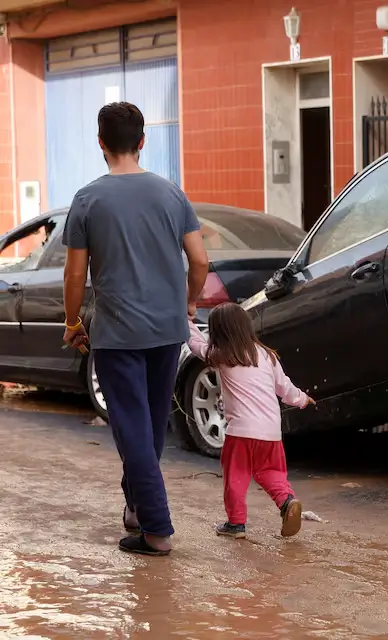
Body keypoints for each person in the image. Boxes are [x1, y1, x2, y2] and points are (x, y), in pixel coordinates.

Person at [62, 102, 210, 557]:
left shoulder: (88, 199)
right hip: (168, 330)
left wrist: (72, 322)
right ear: (142, 141)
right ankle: (135, 506)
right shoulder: (171, 194)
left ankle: (157, 531)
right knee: (146, 426)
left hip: (118, 334)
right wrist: (187, 304)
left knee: (132, 429)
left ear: (101, 144)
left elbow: (74, 274)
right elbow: (201, 261)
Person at [185, 302, 314, 539]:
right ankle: (287, 501)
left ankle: (236, 524)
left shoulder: (222, 356)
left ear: (218, 332)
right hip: (271, 432)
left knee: (236, 477)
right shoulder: (267, 355)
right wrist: (303, 399)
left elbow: (195, 344)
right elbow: (285, 388)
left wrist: (185, 320)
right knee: (271, 472)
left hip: (241, 433)